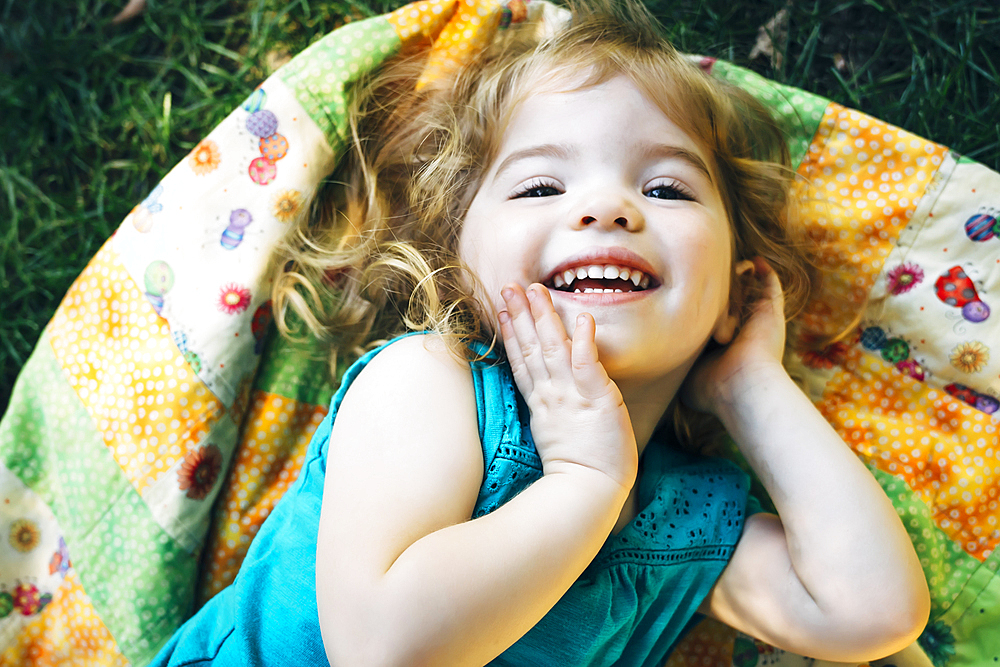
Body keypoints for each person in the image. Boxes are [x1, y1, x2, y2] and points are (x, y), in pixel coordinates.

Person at [150, 1, 930, 664]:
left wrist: (754, 386)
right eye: (540, 185)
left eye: (665, 187)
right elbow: (385, 646)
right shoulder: (432, 385)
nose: (607, 208)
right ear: (460, 267)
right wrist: (583, 485)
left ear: (735, 294)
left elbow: (872, 610)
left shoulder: (684, 515)